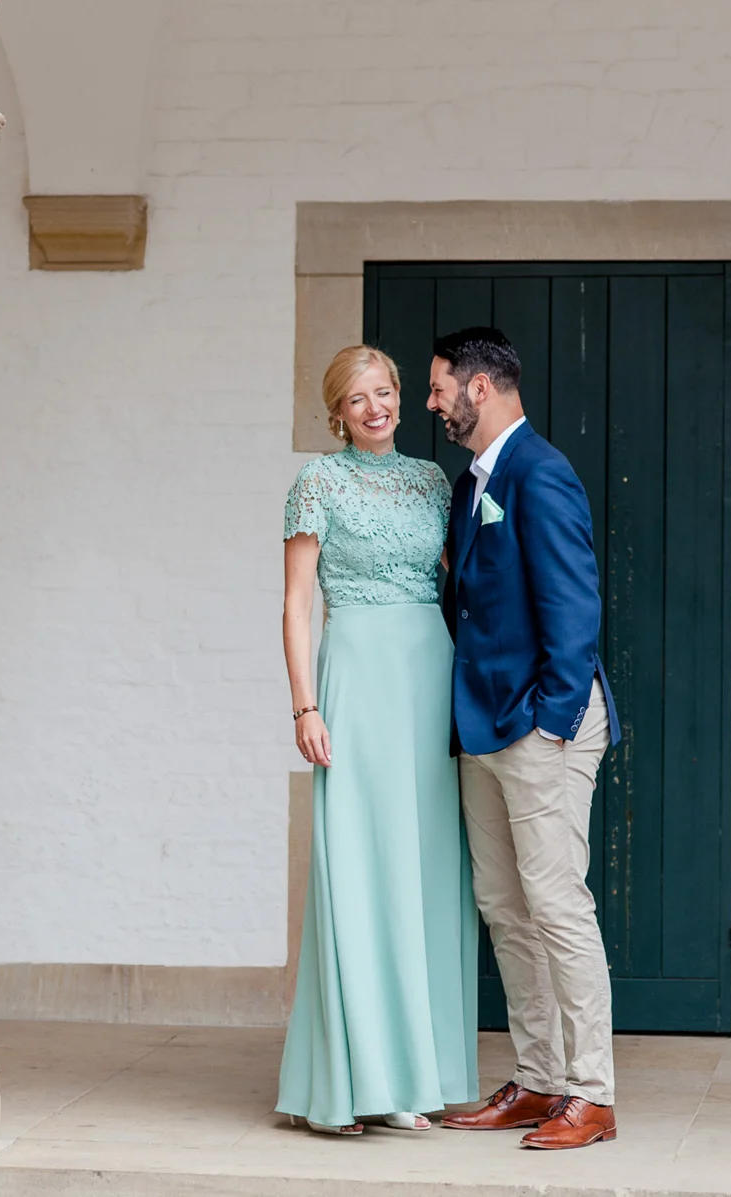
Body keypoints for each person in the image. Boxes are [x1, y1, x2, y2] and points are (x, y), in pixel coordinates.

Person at [275, 344, 479, 1136]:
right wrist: (305, 706)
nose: (376, 406)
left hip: (428, 680)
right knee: (360, 868)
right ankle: (351, 1082)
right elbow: (297, 605)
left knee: (424, 869)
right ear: (338, 410)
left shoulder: (433, 481)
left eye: (386, 391)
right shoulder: (316, 483)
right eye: (358, 397)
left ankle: (413, 1074)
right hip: (355, 681)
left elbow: (462, 583)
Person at [429, 327, 622, 1150]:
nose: (431, 401)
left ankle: (594, 1092)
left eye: (440, 387)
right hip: (483, 725)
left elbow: (575, 609)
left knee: (555, 905)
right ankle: (540, 1077)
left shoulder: (540, 472)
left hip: (545, 723)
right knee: (505, 908)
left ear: (480, 387)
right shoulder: (470, 482)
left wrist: (549, 720)